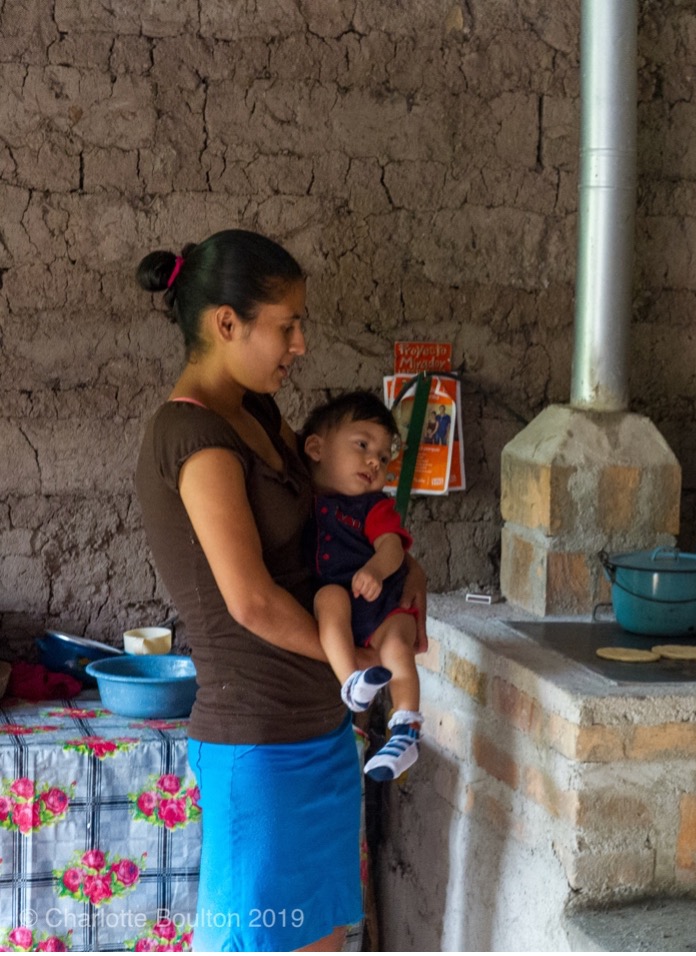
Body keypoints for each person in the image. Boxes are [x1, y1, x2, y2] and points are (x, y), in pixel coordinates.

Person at [133, 229, 427, 952]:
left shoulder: (258, 413)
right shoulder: (194, 438)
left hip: (318, 728)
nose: (301, 344)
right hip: (259, 743)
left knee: (323, 936)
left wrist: (398, 563)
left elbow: (339, 498)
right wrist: (357, 655)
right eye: (287, 325)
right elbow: (252, 602)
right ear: (226, 323)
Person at [300, 390, 423, 780]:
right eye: (363, 445)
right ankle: (351, 682)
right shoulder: (300, 496)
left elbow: (392, 548)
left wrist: (375, 570)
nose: (375, 461)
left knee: (398, 648)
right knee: (328, 598)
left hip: (385, 603)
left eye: (384, 458)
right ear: (316, 449)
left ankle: (406, 731)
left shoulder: (374, 506)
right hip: (343, 604)